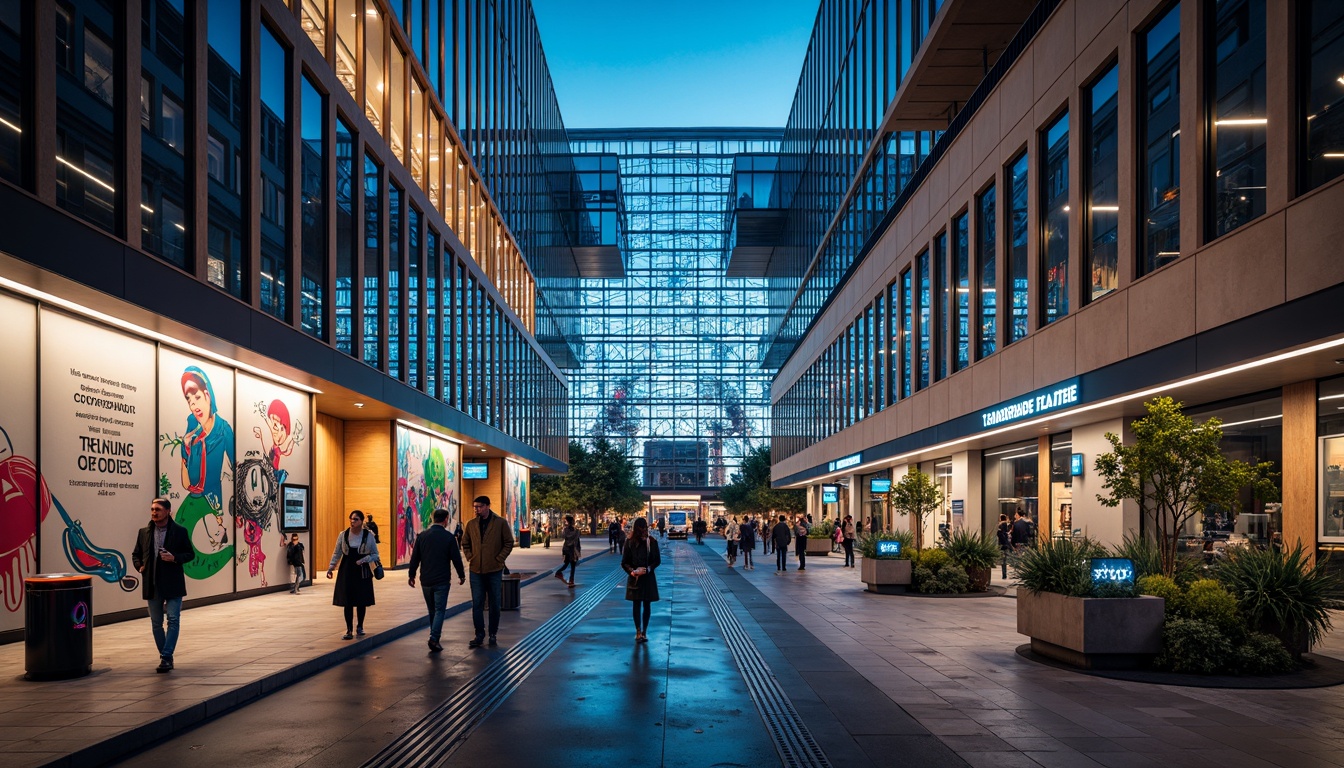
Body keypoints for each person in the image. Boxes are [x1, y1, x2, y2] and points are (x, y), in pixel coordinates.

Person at [132, 497, 195, 673]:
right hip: (151, 584)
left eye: (158, 509)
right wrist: (140, 566)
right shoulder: (143, 532)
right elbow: (136, 554)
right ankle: (166, 656)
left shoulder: (179, 532)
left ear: (168, 511)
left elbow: (190, 554)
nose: (154, 512)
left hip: (173, 583)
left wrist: (175, 558)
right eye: (152, 509)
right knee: (156, 623)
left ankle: (166, 656)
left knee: (173, 620)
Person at [408, 507, 466, 653]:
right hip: (441, 580)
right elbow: (456, 559)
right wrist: (461, 575)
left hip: (426, 580)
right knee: (440, 610)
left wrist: (411, 575)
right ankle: (434, 638)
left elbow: (415, 558)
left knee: (432, 610)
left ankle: (435, 636)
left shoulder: (422, 536)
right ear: (446, 519)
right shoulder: (448, 537)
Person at [461, 495, 515, 648]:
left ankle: (493, 633)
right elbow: (465, 543)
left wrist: (499, 559)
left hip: (494, 569)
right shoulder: (471, 524)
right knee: (477, 603)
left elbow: (508, 542)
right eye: (475, 507)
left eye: (479, 506)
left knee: (494, 603)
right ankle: (479, 634)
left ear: (487, 506)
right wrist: (470, 556)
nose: (476, 509)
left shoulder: (500, 523)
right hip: (476, 569)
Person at [327, 510, 380, 640]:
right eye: (351, 519)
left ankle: (360, 626)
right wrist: (331, 567)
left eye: (355, 519)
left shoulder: (369, 535)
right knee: (347, 600)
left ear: (361, 521)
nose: (352, 521)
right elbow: (337, 552)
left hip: (362, 569)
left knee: (361, 600)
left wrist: (364, 560)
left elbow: (375, 554)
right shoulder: (343, 535)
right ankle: (349, 629)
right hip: (347, 568)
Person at [621, 517, 661, 642]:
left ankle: (642, 631)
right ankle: (640, 631)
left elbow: (657, 560)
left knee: (643, 604)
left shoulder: (651, 541)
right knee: (638, 604)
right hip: (637, 578)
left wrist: (647, 569)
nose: (642, 530)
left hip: (646, 577)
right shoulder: (629, 542)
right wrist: (633, 572)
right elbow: (624, 562)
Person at [553, 515, 581, 587]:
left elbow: (563, 537)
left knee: (566, 564)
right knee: (573, 566)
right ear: (572, 521)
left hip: (566, 549)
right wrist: (579, 550)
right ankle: (571, 580)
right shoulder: (576, 531)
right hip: (573, 550)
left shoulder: (565, 530)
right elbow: (577, 541)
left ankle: (559, 573)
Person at [996, 513, 1012, 578]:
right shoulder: (1005, 525)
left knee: (1003, 559)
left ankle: (1004, 574)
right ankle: (1004, 574)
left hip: (1002, 545)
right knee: (1004, 559)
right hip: (1005, 544)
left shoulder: (1001, 525)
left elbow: (1000, 534)